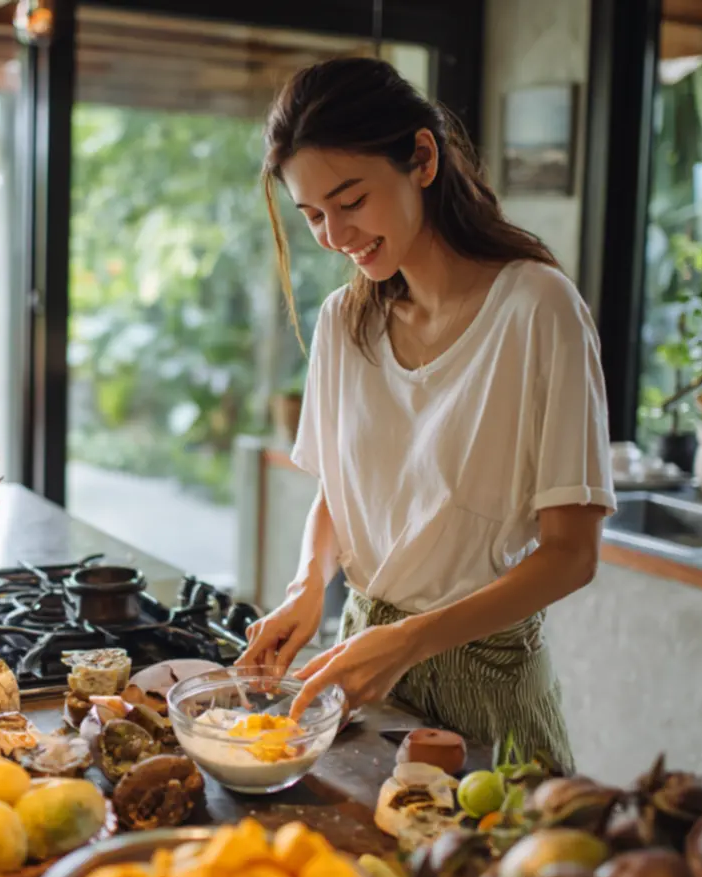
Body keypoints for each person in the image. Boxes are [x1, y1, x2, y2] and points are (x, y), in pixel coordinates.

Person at [235, 57, 616, 768]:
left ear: (421, 157)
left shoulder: (539, 309)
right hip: (363, 667)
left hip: (488, 683)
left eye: (351, 201)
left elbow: (572, 556)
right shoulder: (344, 321)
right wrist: (306, 585)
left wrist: (408, 640)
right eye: (313, 215)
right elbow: (340, 492)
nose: (335, 236)